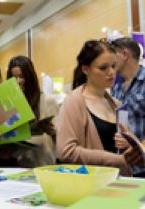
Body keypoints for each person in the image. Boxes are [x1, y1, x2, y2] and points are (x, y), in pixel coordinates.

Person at [57, 40, 142, 176]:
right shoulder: (73, 102)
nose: (111, 72)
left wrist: (131, 147)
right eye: (103, 68)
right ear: (86, 69)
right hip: (90, 184)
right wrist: (117, 160)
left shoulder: (118, 105)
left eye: (114, 66)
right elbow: (66, 151)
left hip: (120, 183)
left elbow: (128, 144)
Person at [6, 55, 60, 167]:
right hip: (18, 167)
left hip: (44, 165)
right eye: (13, 77)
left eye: (22, 76)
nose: (18, 81)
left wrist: (52, 132)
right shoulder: (9, 104)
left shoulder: (47, 101)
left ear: (30, 77)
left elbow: (62, 139)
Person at [111, 37, 145, 176]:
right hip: (124, 167)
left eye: (113, 56)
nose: (110, 63)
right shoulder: (116, 89)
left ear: (125, 55)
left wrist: (138, 145)